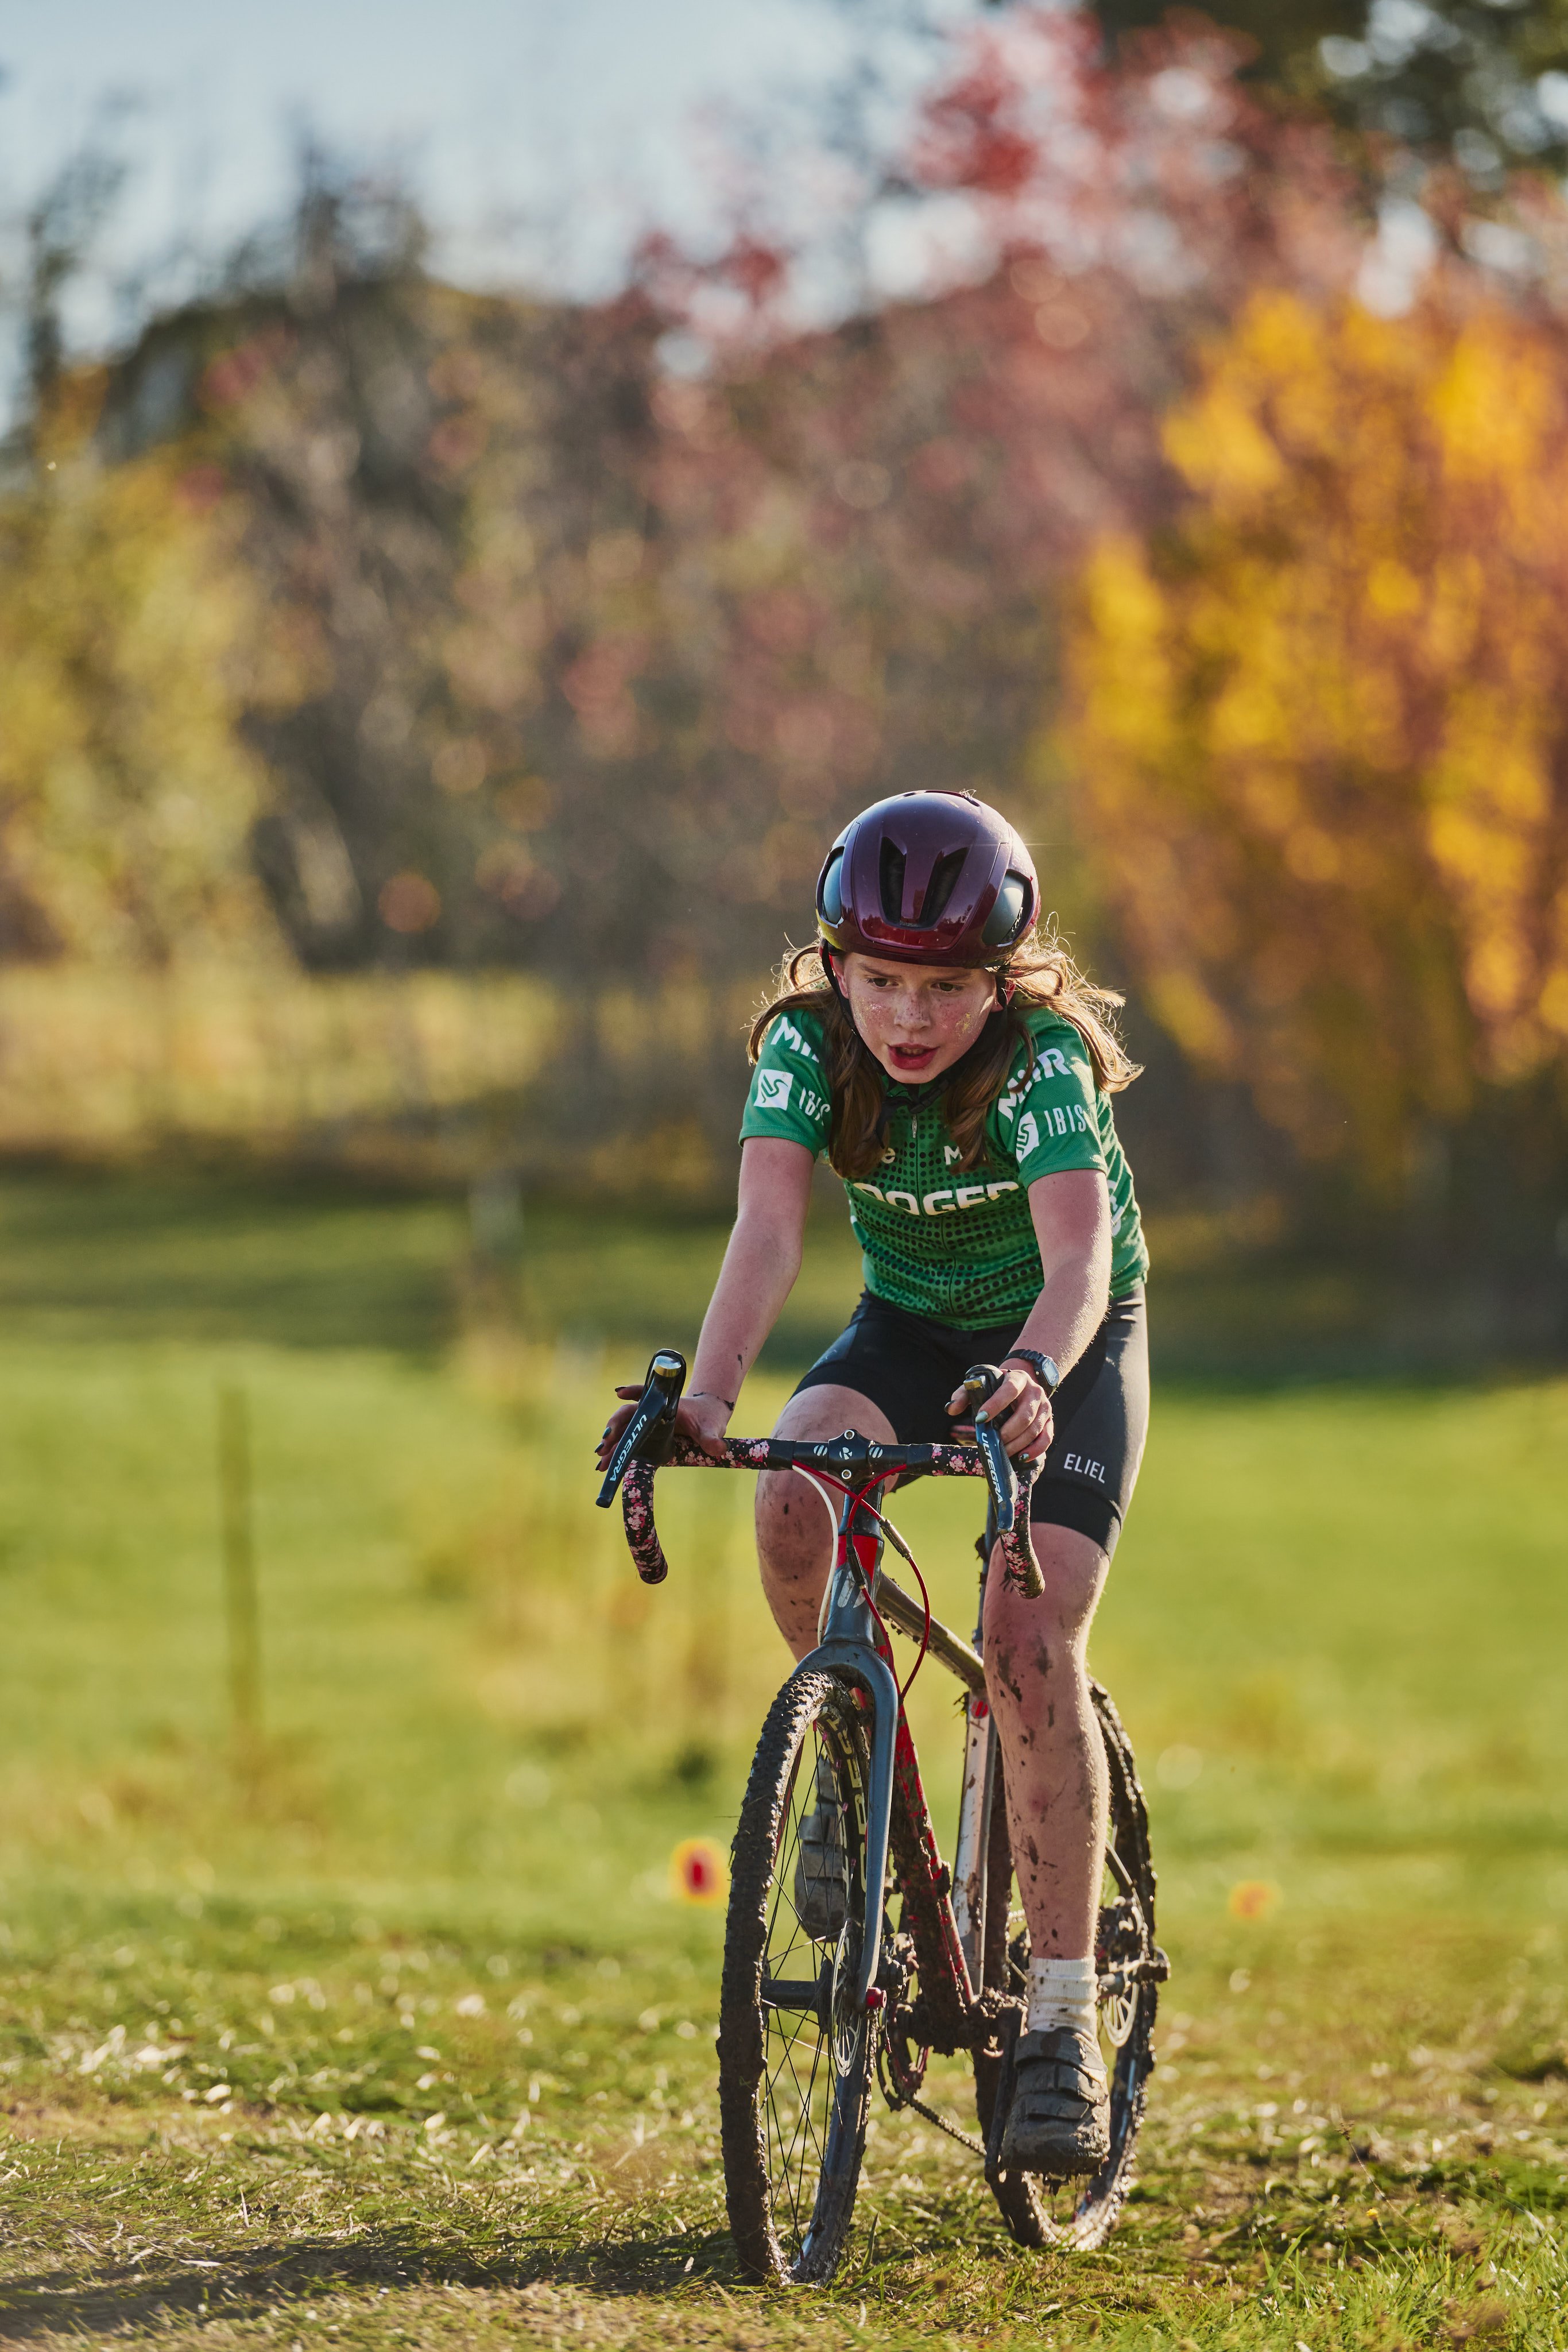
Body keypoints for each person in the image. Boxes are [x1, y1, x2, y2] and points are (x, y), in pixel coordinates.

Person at [597, 789, 1149, 2179]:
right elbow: (766, 1230)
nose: (909, 1016)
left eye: (946, 986)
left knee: (1027, 1632)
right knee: (794, 1493)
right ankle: (847, 1768)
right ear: (836, 965)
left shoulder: (1039, 1065)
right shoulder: (806, 1047)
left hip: (1063, 1340)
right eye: (883, 979)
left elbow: (1079, 1258)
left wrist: (1034, 1371)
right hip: (908, 1324)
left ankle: (1063, 2019)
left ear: (1001, 979)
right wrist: (705, 1404)